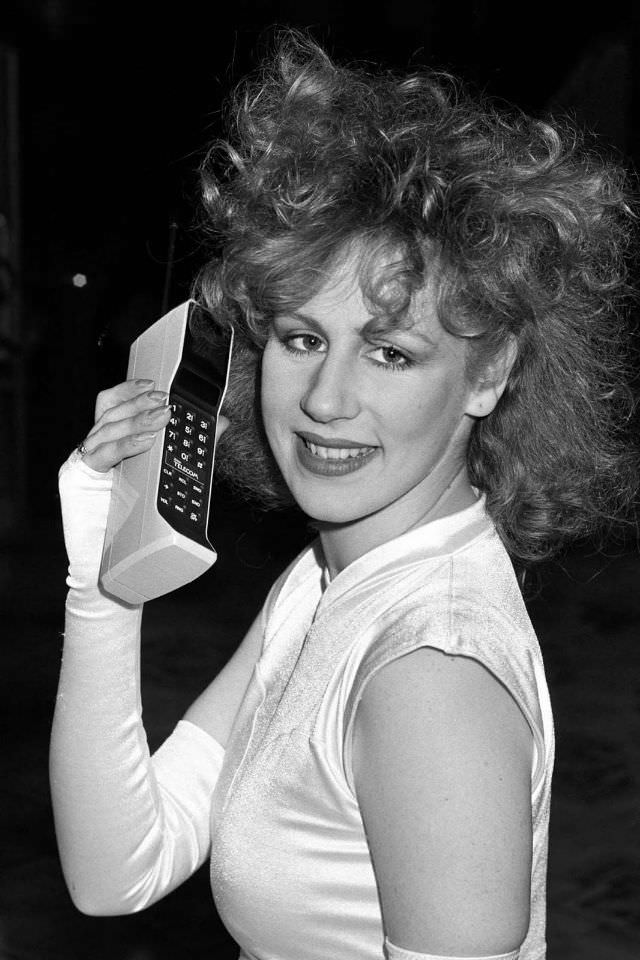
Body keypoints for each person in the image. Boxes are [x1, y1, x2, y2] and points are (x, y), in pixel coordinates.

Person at [50, 32, 638, 960]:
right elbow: (118, 869)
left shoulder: (428, 674)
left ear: (489, 374)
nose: (325, 400)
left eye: (391, 351)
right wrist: (105, 587)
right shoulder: (332, 579)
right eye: (300, 337)